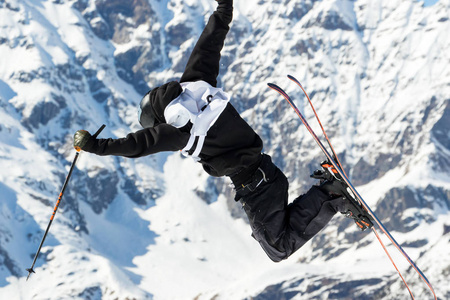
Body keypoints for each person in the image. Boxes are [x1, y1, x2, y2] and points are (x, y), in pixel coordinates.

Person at [74, 0, 346, 262]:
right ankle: (328, 196)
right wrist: (223, 9)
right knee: (276, 235)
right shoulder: (195, 83)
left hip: (257, 185)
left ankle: (331, 195)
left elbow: (138, 144)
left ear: (157, 120)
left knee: (278, 248)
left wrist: (96, 146)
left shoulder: (179, 130)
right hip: (266, 174)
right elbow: (209, 45)